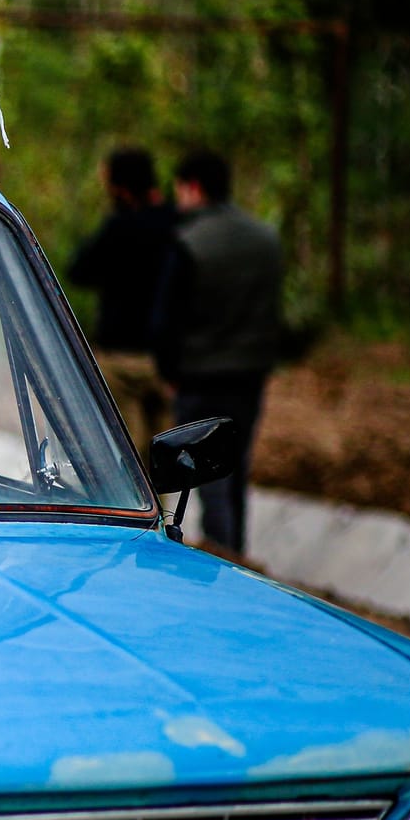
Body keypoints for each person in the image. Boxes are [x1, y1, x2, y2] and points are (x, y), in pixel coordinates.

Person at [155, 149, 286, 556]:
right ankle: (239, 551)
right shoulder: (265, 238)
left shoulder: (188, 241)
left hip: (199, 375)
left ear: (193, 187)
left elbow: (165, 317)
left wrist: (169, 369)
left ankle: (222, 554)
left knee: (207, 470)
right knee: (237, 465)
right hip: (250, 373)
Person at [68, 146, 178, 453]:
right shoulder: (177, 223)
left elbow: (78, 270)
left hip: (121, 356)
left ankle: (140, 503)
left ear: (121, 187)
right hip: (167, 359)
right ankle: (164, 503)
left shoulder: (118, 228)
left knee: (128, 454)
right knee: (166, 455)